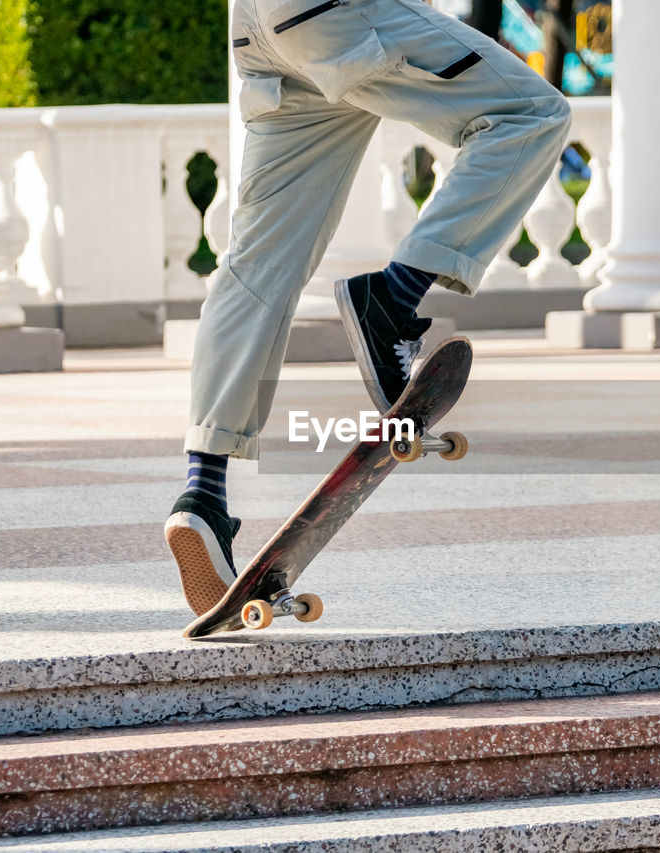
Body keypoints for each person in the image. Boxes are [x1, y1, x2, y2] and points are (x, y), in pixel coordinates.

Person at [165, 0, 572, 615]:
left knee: (255, 266)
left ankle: (204, 492)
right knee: (531, 113)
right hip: (336, 13)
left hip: (260, 31)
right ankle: (392, 298)